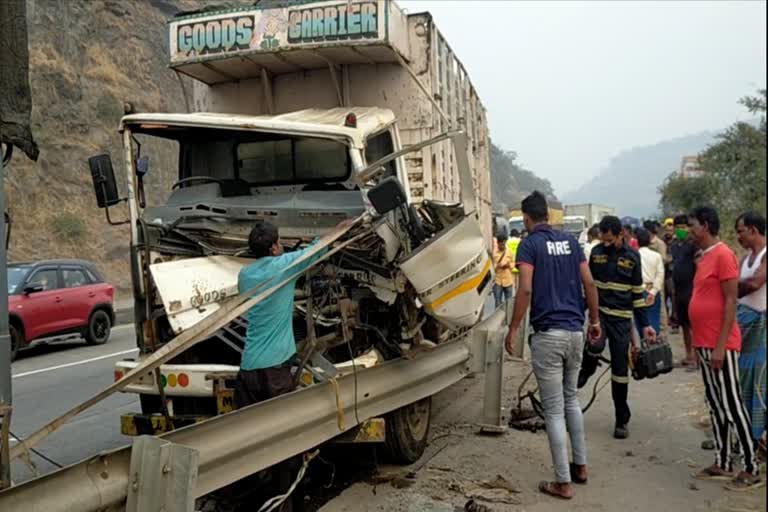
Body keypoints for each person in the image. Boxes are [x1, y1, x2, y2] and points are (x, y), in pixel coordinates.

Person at [236, 219, 341, 511]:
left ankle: (250, 498)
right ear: (274, 246)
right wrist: (342, 226)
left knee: (249, 440)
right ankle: (285, 504)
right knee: (285, 443)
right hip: (275, 375)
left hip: (247, 372)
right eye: (278, 241)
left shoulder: (244, 275)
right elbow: (320, 249)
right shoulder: (284, 265)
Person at [504, 191, 601, 500]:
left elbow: (526, 289)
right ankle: (581, 465)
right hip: (575, 331)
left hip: (548, 335)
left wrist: (514, 327)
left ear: (527, 218)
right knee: (571, 399)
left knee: (554, 410)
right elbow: (589, 283)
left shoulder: (530, 245)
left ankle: (562, 481)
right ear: (547, 214)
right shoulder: (571, 243)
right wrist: (594, 321)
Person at [688, 207, 761, 490]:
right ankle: (723, 460)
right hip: (704, 343)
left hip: (721, 345)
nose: (689, 231)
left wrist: (720, 347)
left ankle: (751, 465)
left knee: (732, 404)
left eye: (693, 226)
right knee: (716, 403)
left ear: (705, 226)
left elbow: (731, 301)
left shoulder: (723, 255)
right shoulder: (705, 257)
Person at [580, 215, 656, 439]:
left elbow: (637, 296)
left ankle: (621, 420)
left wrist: (645, 327)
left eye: (609, 240)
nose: (605, 244)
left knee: (620, 372)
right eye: (603, 240)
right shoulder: (596, 253)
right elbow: (590, 287)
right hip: (600, 316)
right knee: (593, 346)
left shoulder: (632, 258)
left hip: (622, 321)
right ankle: (587, 370)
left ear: (621, 234)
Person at [735, 211, 767, 456]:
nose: (738, 237)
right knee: (743, 380)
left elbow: (755, 284)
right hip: (743, 326)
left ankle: (757, 436)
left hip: (759, 328)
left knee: (759, 383)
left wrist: (724, 288)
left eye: (741, 231)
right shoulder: (745, 258)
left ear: (754, 230)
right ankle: (745, 433)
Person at [670, 214, 698, 369]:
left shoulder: (693, 245)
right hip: (679, 289)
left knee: (694, 325)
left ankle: (696, 358)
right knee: (684, 325)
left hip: (691, 288)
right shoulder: (674, 246)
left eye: (683, 227)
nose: (681, 230)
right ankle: (688, 355)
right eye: (678, 227)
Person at [636, 228, 664, 334]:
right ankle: (653, 348)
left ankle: (643, 346)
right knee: (654, 322)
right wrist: (653, 291)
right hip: (652, 290)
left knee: (640, 323)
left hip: (638, 291)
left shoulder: (634, 255)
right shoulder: (657, 256)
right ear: (649, 241)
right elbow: (660, 275)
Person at [644, 220, 669, 335]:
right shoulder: (645, 243)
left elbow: (663, 260)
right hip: (646, 281)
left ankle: (663, 334)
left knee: (661, 308)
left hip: (657, 279)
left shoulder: (659, 244)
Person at [493, 234, 514, 307]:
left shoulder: (509, 252)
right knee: (498, 302)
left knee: (509, 303)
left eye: (504, 244)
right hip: (498, 281)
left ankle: (508, 317)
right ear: (498, 243)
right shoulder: (494, 253)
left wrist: (508, 265)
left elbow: (513, 263)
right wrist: (498, 266)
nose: (502, 246)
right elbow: (492, 267)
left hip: (508, 280)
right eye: (501, 244)